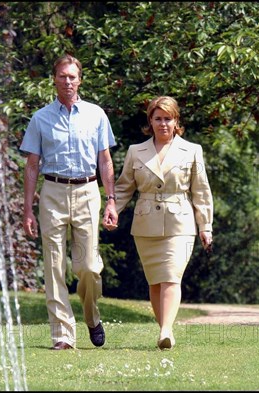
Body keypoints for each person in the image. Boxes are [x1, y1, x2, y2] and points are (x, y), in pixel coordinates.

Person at [21, 54, 118, 350]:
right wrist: (28, 209)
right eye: (62, 76)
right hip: (52, 192)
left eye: (72, 76)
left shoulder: (96, 115)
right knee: (53, 265)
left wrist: (111, 200)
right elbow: (32, 166)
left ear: (80, 80)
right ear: (54, 79)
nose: (67, 81)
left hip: (88, 192)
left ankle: (91, 315)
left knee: (89, 266)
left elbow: (105, 160)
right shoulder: (40, 118)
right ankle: (63, 335)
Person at [104, 96, 213, 350]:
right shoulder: (135, 151)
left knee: (171, 276)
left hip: (181, 224)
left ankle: (166, 331)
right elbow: (123, 188)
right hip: (146, 224)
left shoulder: (192, 150)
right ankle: (164, 327)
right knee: (155, 281)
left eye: (168, 119)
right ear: (150, 121)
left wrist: (205, 226)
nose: (163, 124)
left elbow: (201, 191)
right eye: (158, 119)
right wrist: (112, 210)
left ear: (176, 121)